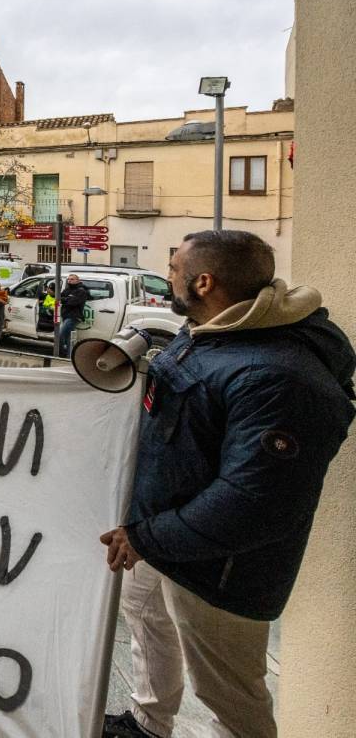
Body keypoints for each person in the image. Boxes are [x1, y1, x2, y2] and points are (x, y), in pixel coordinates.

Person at [100, 231, 356, 738]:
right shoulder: (216, 331)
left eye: (174, 268)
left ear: (204, 282)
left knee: (228, 692)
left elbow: (252, 503)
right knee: (147, 624)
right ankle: (148, 724)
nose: (167, 275)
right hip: (162, 536)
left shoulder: (279, 376)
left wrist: (147, 536)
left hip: (219, 569)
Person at [58, 273, 90, 357]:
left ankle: (61, 354)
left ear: (78, 281)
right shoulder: (67, 289)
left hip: (73, 317)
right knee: (69, 338)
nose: (69, 281)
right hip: (65, 316)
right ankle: (69, 356)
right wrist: (67, 299)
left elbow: (73, 302)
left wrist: (65, 299)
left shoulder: (81, 291)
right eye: (68, 279)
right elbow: (59, 298)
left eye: (72, 279)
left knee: (60, 335)